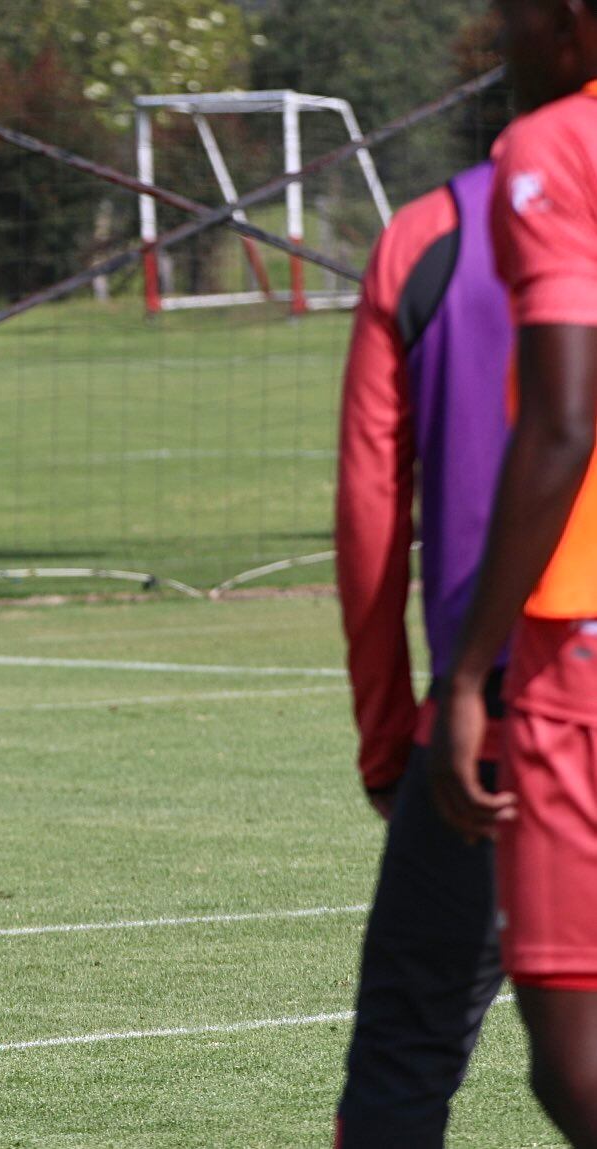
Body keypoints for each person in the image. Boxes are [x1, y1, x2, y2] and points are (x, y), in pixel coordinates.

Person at [428, 0, 597, 1139]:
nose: (499, 36)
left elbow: (560, 423)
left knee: (571, 1059)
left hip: (577, 645)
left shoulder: (555, 144)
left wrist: (467, 673)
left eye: (514, 14)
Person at [332, 160, 512, 1147]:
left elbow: (370, 523)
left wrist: (385, 739)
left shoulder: (433, 232)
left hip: (488, 730)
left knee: (401, 1073)